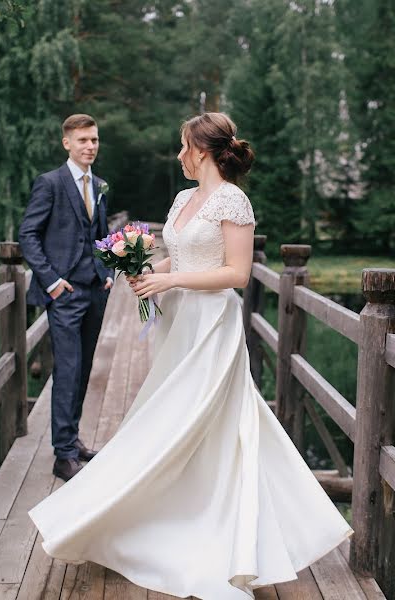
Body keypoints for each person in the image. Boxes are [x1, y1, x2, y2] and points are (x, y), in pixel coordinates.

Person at [28, 112, 352, 599]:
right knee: (176, 415)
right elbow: (177, 257)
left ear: (201, 150)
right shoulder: (184, 198)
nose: (179, 154)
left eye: (183, 146)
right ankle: (165, 509)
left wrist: (170, 279)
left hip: (212, 326)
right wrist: (146, 270)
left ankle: (226, 531)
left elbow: (237, 273)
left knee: (197, 418)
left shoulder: (233, 201)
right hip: (177, 323)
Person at [18, 113, 114, 482]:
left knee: (84, 369)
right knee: (68, 370)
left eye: (94, 139)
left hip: (94, 291)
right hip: (65, 293)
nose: (90, 146)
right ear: (67, 143)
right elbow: (29, 235)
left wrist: (106, 274)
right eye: (83, 140)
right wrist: (53, 281)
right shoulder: (50, 184)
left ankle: (72, 442)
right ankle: (62, 455)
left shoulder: (101, 185)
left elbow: (101, 237)